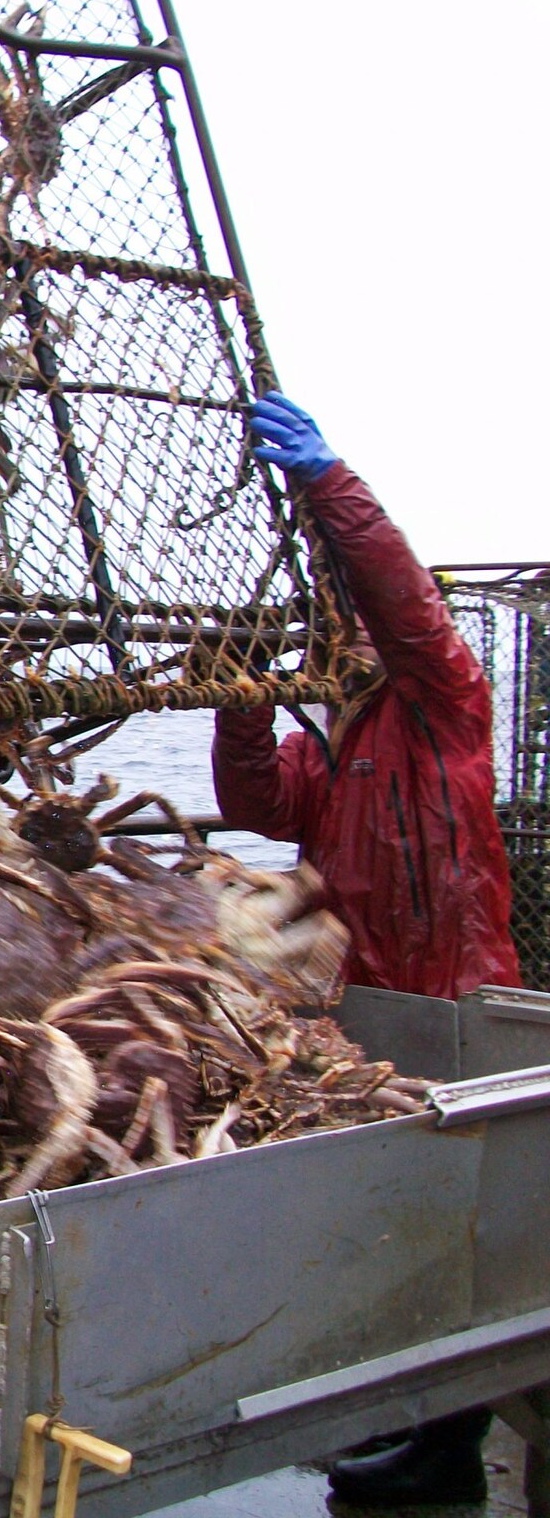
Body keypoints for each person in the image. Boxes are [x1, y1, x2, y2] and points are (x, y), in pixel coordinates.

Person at [214, 390, 518, 1507]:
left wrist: (327, 488)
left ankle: (438, 1457)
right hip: (369, 1019)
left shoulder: (444, 700)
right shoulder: (331, 746)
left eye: (351, 622)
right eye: (324, 626)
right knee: (392, 1233)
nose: (341, 634)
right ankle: (401, 1447)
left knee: (469, 1240)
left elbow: (402, 605)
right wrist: (239, 695)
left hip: (463, 1001)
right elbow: (250, 794)